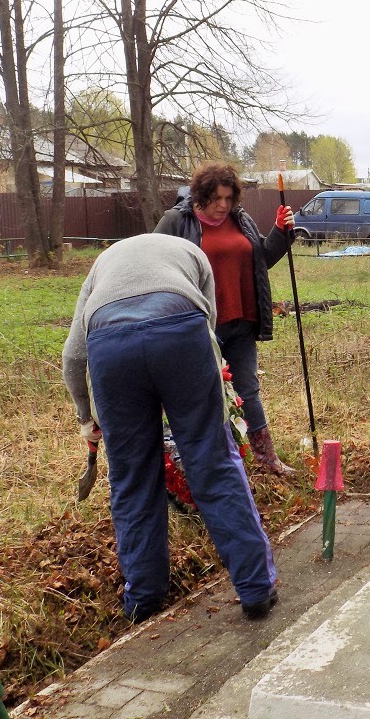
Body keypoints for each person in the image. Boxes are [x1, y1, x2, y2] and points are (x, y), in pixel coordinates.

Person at [61, 232, 278, 623]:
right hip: (182, 335)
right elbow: (208, 324)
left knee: (131, 478)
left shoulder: (102, 263)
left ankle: (143, 599)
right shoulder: (193, 252)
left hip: (111, 348)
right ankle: (256, 588)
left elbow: (74, 356)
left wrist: (85, 418)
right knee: (213, 463)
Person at [154, 162, 296, 476]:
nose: (223, 205)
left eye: (229, 198)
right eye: (216, 198)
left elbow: (262, 258)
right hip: (199, 326)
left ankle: (266, 459)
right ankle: (200, 464)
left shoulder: (240, 219)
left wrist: (281, 231)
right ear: (200, 195)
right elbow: (153, 264)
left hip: (241, 321)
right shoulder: (177, 221)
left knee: (248, 391)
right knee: (200, 395)